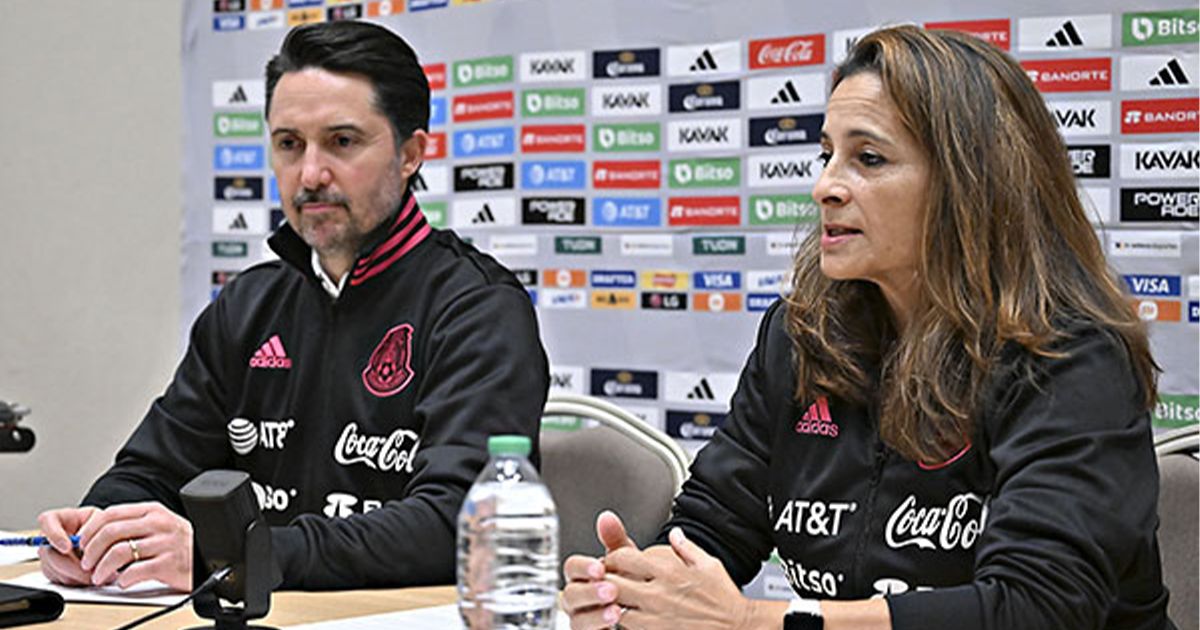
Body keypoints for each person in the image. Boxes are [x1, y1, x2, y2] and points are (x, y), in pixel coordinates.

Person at [562, 25, 1174, 630]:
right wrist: (636, 593)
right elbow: (716, 522)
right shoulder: (799, 336)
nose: (825, 186)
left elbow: (1035, 607)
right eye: (827, 155)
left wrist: (756, 621)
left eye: (869, 159)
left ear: (969, 183)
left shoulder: (1069, 356)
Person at [37, 20, 549, 592]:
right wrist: (98, 532)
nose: (310, 174)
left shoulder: (478, 309)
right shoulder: (248, 305)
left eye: (342, 142)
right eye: (289, 144)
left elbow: (458, 523)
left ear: (410, 154)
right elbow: (151, 472)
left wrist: (243, 554)